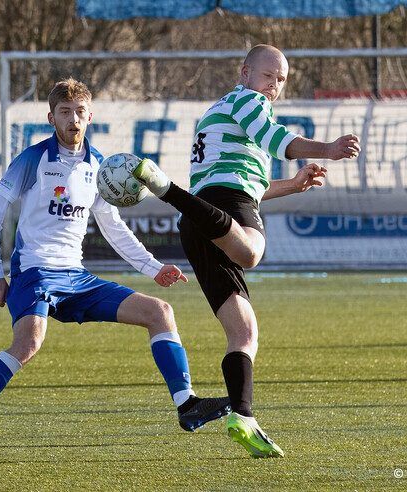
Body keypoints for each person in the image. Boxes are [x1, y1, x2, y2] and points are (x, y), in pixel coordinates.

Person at [0, 78, 230, 447]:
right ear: (51, 117)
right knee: (28, 343)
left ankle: (187, 406)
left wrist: (154, 268)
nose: (72, 119)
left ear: (90, 115)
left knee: (160, 312)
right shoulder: (33, 159)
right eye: (64, 112)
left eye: (78, 112)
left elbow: (113, 228)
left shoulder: (101, 167)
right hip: (34, 272)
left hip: (76, 277)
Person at [131, 45, 360, 458]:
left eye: (281, 79)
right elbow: (276, 141)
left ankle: (243, 416)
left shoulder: (228, 112)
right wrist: (328, 149)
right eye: (268, 75)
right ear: (245, 73)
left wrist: (293, 185)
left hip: (205, 222)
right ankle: (167, 190)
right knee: (252, 252)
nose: (274, 86)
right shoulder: (247, 100)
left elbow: (251, 186)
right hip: (220, 206)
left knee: (244, 331)